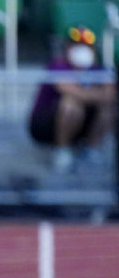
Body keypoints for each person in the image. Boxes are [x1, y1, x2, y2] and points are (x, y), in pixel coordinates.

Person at [28, 25, 117, 174]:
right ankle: (62, 151)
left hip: (83, 124)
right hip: (45, 125)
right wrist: (96, 94)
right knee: (71, 104)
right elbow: (67, 89)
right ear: (68, 47)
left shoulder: (99, 69)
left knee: (110, 108)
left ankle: (91, 149)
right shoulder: (58, 65)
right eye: (76, 45)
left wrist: (85, 94)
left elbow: (111, 95)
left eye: (86, 46)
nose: (82, 49)